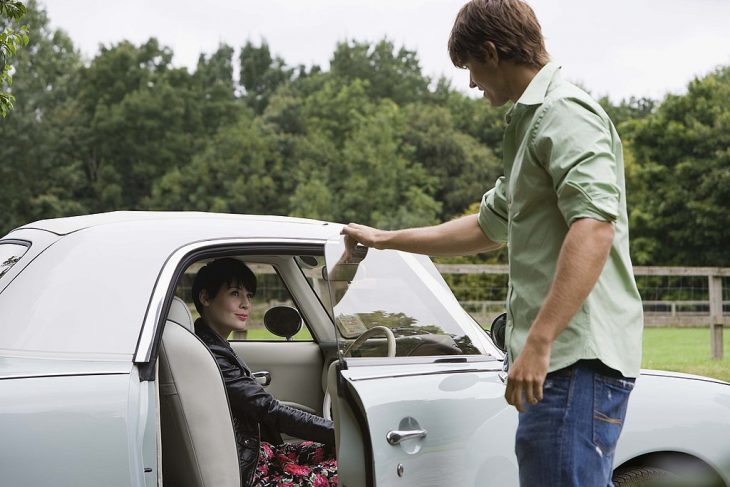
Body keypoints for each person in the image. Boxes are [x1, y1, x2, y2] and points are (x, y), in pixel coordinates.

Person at [342, 1, 643, 485]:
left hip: (572, 359)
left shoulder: (564, 113)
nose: (471, 83)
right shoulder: (530, 126)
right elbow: (485, 227)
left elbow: (594, 227)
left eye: (470, 68)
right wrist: (385, 239)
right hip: (558, 363)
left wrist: (540, 342)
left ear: (491, 51)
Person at [192, 258, 337, 487]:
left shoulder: (213, 345)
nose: (246, 304)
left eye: (248, 296)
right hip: (253, 473)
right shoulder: (209, 354)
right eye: (234, 293)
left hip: (258, 454)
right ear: (205, 298)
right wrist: (339, 431)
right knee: (351, 463)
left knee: (345, 450)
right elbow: (268, 410)